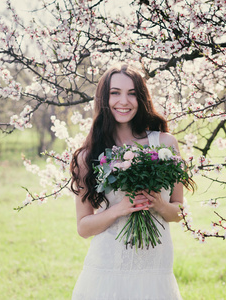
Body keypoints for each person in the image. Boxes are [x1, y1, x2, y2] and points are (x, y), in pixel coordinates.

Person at [70, 64, 193, 300]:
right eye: (115, 93)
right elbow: (83, 227)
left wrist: (159, 204)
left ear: (142, 98)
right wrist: (119, 209)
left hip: (155, 267)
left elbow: (179, 212)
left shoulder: (165, 144)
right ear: (104, 98)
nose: (123, 101)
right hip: (108, 268)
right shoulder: (89, 155)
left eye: (132, 93)